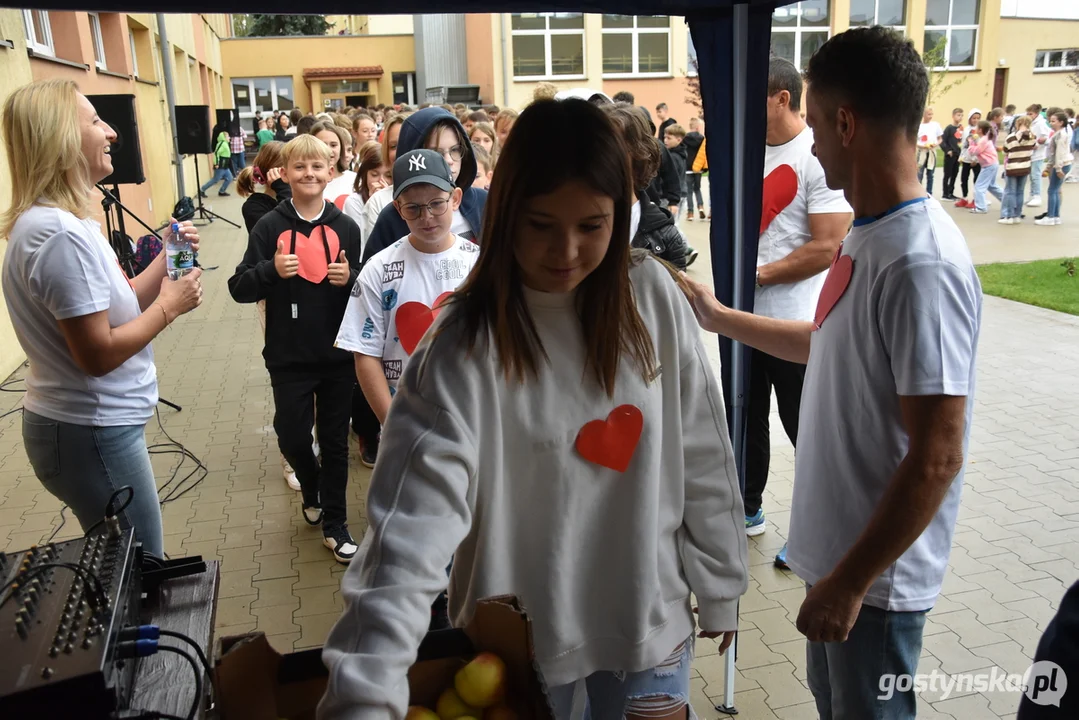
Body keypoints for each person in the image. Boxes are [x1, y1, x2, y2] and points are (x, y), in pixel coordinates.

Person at [320, 97, 748, 720]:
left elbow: (704, 452)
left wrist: (721, 584)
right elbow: (405, 534)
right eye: (541, 224)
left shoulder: (652, 296)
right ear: (504, 213)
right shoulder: (461, 341)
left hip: (651, 623)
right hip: (518, 647)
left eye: (592, 225)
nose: (567, 251)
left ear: (620, 215)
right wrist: (363, 692)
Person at [683, 28, 981, 719]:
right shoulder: (870, 236)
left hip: (874, 586)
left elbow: (937, 456)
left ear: (845, 123)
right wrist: (720, 317)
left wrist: (848, 583)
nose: (809, 143)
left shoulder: (920, 264)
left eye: (814, 124)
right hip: (841, 564)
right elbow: (825, 345)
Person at [0, 79, 204, 559]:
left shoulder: (65, 224)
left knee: (125, 566)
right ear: (61, 138)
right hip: (90, 432)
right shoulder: (58, 234)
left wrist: (166, 257)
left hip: (90, 429)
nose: (111, 132)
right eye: (95, 120)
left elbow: (116, 304)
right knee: (141, 572)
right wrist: (170, 306)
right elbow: (96, 353)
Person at [227, 134, 362, 563]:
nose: (309, 174)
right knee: (292, 435)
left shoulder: (346, 227)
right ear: (284, 173)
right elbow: (238, 288)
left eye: (317, 166)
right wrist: (271, 270)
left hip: (339, 355)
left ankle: (335, 524)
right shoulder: (270, 227)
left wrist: (352, 278)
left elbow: (364, 291)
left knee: (336, 441)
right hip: (288, 358)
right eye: (299, 167)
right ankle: (311, 483)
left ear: (330, 172)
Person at [745, 58, 851, 562]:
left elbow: (828, 245)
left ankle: (818, 532)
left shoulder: (815, 155)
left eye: (753, 97)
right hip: (742, 319)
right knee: (744, 419)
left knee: (804, 427)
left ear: (781, 98)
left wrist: (758, 275)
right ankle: (746, 510)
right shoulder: (745, 150)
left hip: (796, 323)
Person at [336, 147, 480, 441]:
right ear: (398, 208)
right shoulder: (379, 269)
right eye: (413, 208)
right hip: (407, 424)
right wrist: (392, 423)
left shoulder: (480, 265)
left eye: (436, 204)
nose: (426, 217)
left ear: (455, 199)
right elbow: (365, 353)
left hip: (474, 419)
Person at [362, 107, 487, 267]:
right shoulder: (391, 218)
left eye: (455, 150)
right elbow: (372, 276)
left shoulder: (482, 202)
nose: (449, 160)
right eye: (436, 152)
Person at [604, 103, 691, 270]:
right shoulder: (575, 225)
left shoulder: (665, 236)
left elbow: (674, 294)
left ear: (639, 157)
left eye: (615, 148)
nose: (604, 158)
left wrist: (673, 200)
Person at [359, 113, 408, 256]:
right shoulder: (378, 201)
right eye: (394, 146)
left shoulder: (445, 194)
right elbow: (374, 260)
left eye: (409, 141)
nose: (401, 150)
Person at [342, 140, 391, 242]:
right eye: (374, 175)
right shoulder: (354, 202)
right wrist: (373, 203)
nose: (381, 180)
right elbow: (362, 239)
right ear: (365, 175)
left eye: (388, 176)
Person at [1035, 110, 1074, 226]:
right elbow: (1053, 154)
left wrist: (1057, 169)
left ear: (1061, 122)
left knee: (1052, 190)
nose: (1051, 123)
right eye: (1050, 121)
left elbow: (1059, 154)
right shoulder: (1057, 134)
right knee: (1055, 190)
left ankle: (1051, 216)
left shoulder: (1061, 135)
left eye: (1053, 121)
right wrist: (1048, 167)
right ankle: (1055, 216)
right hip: (1061, 164)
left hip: (1062, 164)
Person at [1000, 115, 1035, 225]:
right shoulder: (1033, 137)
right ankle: (1017, 215)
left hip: (1013, 167)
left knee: (1011, 192)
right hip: (1025, 166)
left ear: (1018, 124)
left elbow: (1005, 151)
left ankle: (1009, 216)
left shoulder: (1011, 137)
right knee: (1020, 192)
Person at [311, 121, 356, 209]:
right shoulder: (305, 182)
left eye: (333, 145)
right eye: (323, 145)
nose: (329, 150)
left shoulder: (355, 179)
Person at [971, 120, 1004, 214]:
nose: (975, 129)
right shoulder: (984, 139)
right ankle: (1007, 201)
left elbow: (975, 151)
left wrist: (971, 143)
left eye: (977, 128)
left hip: (989, 165)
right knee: (991, 185)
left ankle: (981, 207)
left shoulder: (983, 140)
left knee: (979, 186)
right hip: (991, 164)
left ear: (980, 130)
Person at [954, 108, 982, 208]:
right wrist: (961, 157)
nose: (975, 120)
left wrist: (975, 159)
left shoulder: (980, 131)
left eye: (978, 118)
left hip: (976, 160)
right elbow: (964, 145)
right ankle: (964, 198)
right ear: (970, 118)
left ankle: (976, 200)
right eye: (974, 118)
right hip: (966, 159)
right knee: (964, 179)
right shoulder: (966, 129)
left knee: (977, 180)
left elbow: (980, 146)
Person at [663, 123, 688, 224]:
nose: (665, 141)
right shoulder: (681, 154)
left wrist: (672, 201)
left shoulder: (673, 157)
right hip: (681, 193)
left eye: (669, 138)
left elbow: (672, 178)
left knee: (670, 226)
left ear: (679, 139)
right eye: (665, 137)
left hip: (672, 196)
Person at [1027, 103, 1052, 208]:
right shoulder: (1032, 123)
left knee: (1035, 175)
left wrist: (1041, 142)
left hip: (1038, 154)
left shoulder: (1041, 124)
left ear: (1036, 113)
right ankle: (1032, 194)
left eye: (1030, 113)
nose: (1028, 115)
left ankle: (1037, 196)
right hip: (1031, 153)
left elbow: (1048, 137)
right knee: (1032, 175)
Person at [683, 117, 706, 220]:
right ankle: (700, 207)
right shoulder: (702, 138)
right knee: (697, 189)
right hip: (698, 167)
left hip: (688, 168)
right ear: (697, 127)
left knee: (689, 191)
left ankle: (690, 213)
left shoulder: (685, 138)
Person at [916, 107, 942, 195]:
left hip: (931, 152)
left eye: (931, 114)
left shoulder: (935, 125)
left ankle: (929, 193)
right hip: (922, 152)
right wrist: (921, 145)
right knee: (919, 174)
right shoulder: (918, 126)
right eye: (928, 114)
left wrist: (936, 144)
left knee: (930, 174)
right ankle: (919, 193)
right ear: (923, 115)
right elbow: (915, 140)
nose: (930, 116)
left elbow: (940, 138)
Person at [200, 129, 234, 197]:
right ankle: (202, 190)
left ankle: (222, 191)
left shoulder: (225, 144)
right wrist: (216, 163)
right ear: (224, 137)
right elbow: (216, 153)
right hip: (220, 165)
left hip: (225, 165)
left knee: (229, 178)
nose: (229, 138)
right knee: (215, 179)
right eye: (227, 136)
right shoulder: (221, 144)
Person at [941, 107, 963, 200]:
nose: (960, 117)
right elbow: (942, 141)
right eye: (958, 115)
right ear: (953, 116)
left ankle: (951, 192)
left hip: (958, 155)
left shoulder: (960, 128)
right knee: (947, 174)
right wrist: (947, 150)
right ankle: (945, 194)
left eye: (962, 115)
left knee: (955, 174)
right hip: (950, 155)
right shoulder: (949, 128)